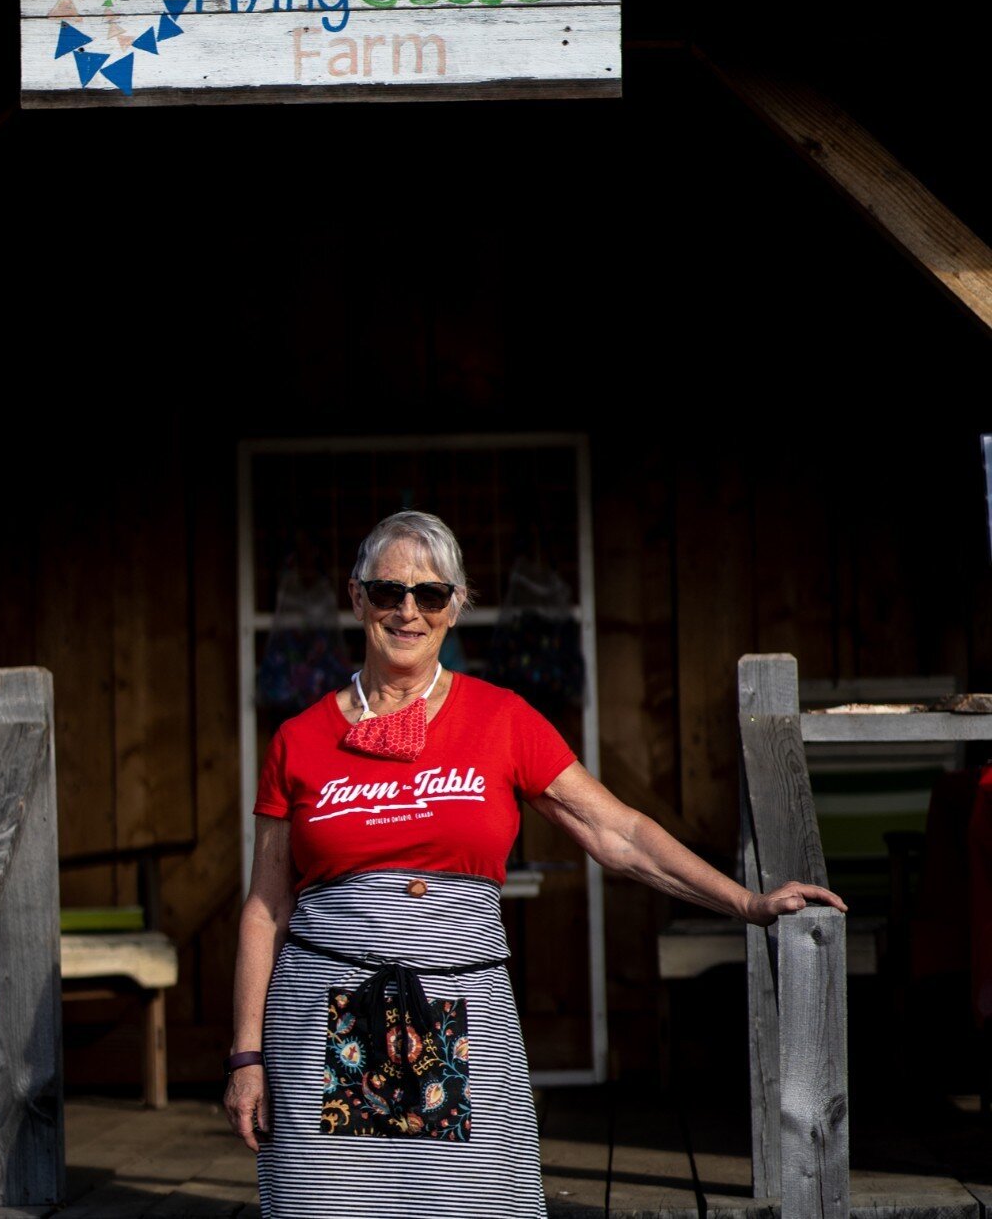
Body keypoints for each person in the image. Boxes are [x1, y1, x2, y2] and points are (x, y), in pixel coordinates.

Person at [224, 510, 845, 1219]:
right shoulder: (298, 739)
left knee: (471, 1204)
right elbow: (265, 907)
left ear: (455, 608)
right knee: (328, 1207)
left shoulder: (502, 718)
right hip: (321, 1015)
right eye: (388, 591)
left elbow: (620, 833)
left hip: (462, 1006)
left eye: (430, 595)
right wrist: (246, 1059)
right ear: (357, 597)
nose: (408, 611)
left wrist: (747, 901)